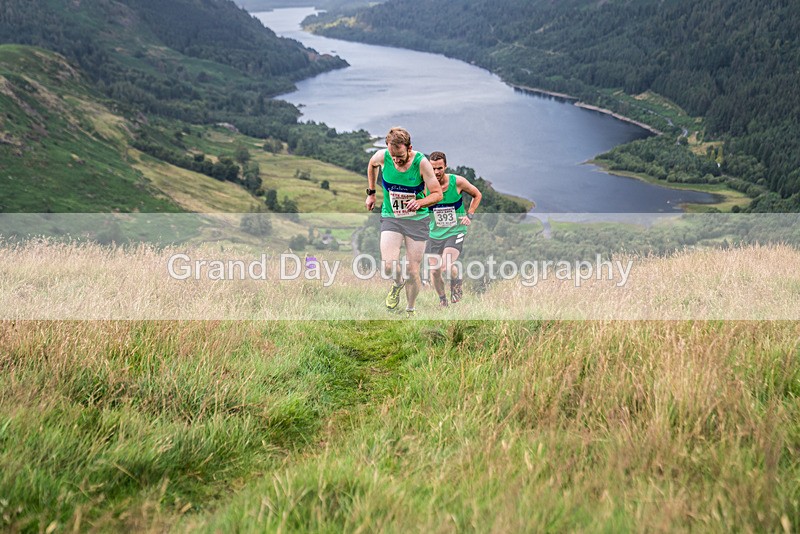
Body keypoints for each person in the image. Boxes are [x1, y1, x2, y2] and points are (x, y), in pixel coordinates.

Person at [366, 127, 442, 315]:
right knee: (389, 265)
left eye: (400, 155)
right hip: (392, 217)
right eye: (393, 156)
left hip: (417, 220)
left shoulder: (421, 163)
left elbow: (437, 194)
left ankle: (410, 309)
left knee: (412, 271)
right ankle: (397, 284)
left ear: (409, 148)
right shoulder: (383, 156)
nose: (397, 160)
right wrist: (371, 193)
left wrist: (420, 202)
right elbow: (371, 165)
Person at [425, 151, 482, 306]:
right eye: (433, 168)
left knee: (447, 265)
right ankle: (443, 300)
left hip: (455, 230)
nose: (436, 172)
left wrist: (469, 215)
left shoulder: (457, 182)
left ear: (445, 166)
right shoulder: (425, 186)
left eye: (440, 168)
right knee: (435, 271)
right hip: (434, 233)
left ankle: (456, 286)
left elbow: (477, 195)